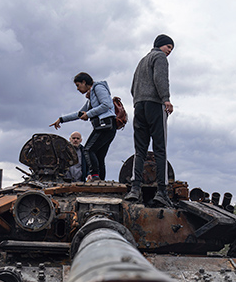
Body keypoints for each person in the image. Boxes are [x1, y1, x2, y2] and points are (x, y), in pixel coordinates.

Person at [123, 34, 175, 207]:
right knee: (160, 149)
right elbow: (161, 79)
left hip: (139, 106)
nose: (169, 52)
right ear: (161, 45)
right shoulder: (159, 57)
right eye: (169, 47)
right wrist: (165, 99)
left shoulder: (142, 61)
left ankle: (135, 189)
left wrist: (139, 100)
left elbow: (132, 87)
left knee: (140, 150)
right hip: (155, 105)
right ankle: (161, 191)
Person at [50, 72, 117, 181]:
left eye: (78, 85)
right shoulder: (91, 98)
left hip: (106, 125)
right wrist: (61, 119)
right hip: (106, 126)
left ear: (84, 82)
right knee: (99, 155)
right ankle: (101, 180)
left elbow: (107, 105)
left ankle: (95, 176)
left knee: (88, 150)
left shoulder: (98, 87)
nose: (77, 89)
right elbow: (80, 113)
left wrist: (89, 114)